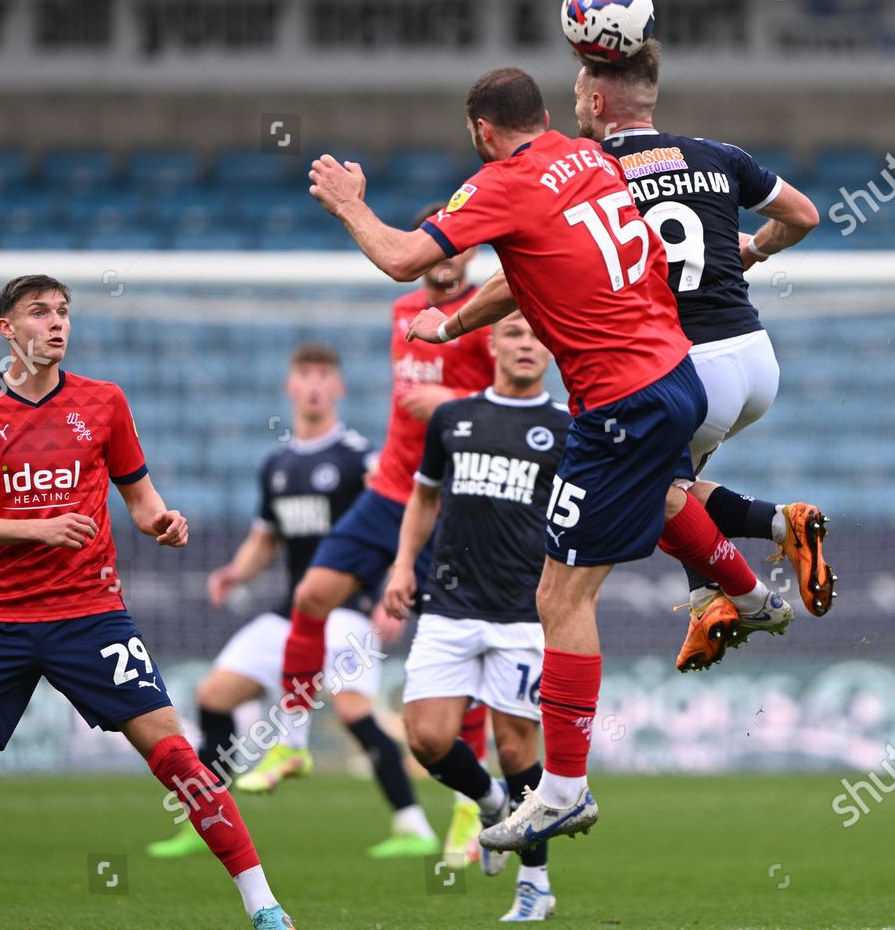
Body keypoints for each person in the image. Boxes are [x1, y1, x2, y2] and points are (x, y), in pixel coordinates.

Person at [306, 66, 784, 851]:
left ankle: (563, 791)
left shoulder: (503, 183)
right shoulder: (588, 158)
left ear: (482, 131)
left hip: (618, 403)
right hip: (678, 376)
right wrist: (456, 324)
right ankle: (754, 597)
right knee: (664, 500)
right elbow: (528, 278)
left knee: (560, 598)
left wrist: (349, 202)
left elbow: (399, 259)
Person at [0, 275, 293, 930]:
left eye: (63, 312)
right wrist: (38, 529)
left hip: (89, 613)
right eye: (39, 313)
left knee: (173, 753)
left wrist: (164, 521)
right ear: (6, 330)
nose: (56, 324)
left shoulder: (104, 403)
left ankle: (265, 906)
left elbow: (141, 502)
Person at [572, 41, 836, 655]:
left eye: (577, 99)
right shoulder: (718, 156)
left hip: (684, 369)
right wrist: (755, 249)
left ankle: (772, 541)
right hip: (754, 361)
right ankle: (703, 601)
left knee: (650, 495)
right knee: (679, 486)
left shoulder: (591, 171)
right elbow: (805, 216)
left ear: (594, 100)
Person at [277, 210, 496, 859]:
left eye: (458, 249)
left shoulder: (486, 318)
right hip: (388, 491)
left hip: (451, 505)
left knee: (461, 651)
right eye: (436, 247)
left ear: (472, 254)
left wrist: (453, 409)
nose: (445, 259)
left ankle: (468, 805)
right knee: (312, 593)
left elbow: (506, 407)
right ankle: (290, 739)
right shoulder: (402, 312)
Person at [147, 343, 410, 860]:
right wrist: (235, 572)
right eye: (305, 375)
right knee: (215, 694)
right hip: (292, 611)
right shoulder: (277, 465)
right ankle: (205, 818)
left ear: (339, 388)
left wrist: (388, 594)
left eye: (323, 376)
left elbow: (397, 526)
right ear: (291, 386)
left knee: (356, 712)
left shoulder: (361, 460)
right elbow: (265, 538)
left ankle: (411, 821)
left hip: (346, 609)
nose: (313, 385)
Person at [385, 311, 567, 921]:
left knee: (518, 749)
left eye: (537, 336)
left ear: (551, 350)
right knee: (426, 738)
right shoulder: (452, 418)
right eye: (514, 333)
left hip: (524, 613)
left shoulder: (567, 430)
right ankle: (489, 803)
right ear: (490, 344)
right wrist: (403, 565)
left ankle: (535, 884)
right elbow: (424, 496)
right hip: (449, 603)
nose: (526, 344)